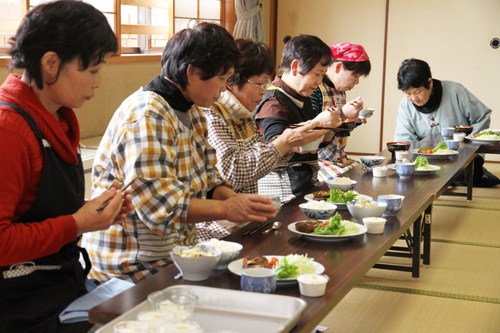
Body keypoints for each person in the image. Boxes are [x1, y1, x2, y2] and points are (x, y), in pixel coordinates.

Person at [81, 23, 277, 284]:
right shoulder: (147, 115)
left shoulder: (193, 110)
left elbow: (209, 179)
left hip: (176, 255)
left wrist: (237, 202)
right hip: (131, 267)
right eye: (221, 78)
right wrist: (227, 208)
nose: (223, 88)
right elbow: (159, 206)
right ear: (192, 72)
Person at [0, 1, 134, 332]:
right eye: (92, 70)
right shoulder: (9, 130)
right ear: (50, 63)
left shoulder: (57, 119)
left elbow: (37, 210)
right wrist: (75, 223)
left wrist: (93, 213)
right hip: (19, 303)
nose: (98, 82)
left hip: (58, 284)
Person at [203, 38, 328, 195]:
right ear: (230, 80)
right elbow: (230, 175)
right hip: (226, 215)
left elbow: (266, 156)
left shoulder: (243, 113)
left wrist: (290, 145)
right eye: (260, 84)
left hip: (247, 209)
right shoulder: (214, 115)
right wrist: (283, 143)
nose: (264, 91)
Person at [254, 35, 342, 203]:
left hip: (303, 182)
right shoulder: (273, 101)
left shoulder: (302, 95)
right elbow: (276, 146)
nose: (319, 82)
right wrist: (318, 123)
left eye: (322, 75)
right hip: (283, 191)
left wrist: (328, 131)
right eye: (317, 74)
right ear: (295, 67)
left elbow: (311, 144)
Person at [394, 58, 493, 184]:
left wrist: (471, 148)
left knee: (462, 175)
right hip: (426, 160)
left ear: (429, 83)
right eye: (407, 93)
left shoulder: (455, 91)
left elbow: (482, 117)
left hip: (461, 156)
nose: (413, 98)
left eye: (417, 92)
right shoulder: (405, 105)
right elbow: (404, 141)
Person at [310, 43, 371, 179]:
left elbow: (340, 127)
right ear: (338, 67)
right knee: (351, 181)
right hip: (318, 162)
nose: (357, 82)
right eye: (355, 76)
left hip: (339, 159)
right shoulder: (316, 89)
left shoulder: (340, 92)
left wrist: (355, 119)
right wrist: (343, 113)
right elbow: (311, 128)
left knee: (368, 174)